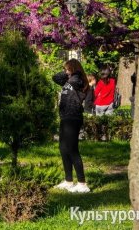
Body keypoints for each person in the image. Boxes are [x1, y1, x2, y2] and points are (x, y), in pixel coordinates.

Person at [52, 59, 90, 193]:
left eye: (67, 69)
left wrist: (73, 72)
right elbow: (55, 78)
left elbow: (71, 79)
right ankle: (69, 181)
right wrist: (65, 72)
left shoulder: (77, 80)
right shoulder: (70, 80)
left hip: (73, 117)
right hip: (65, 117)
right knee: (63, 148)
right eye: (65, 70)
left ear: (73, 69)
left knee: (72, 149)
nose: (65, 72)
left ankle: (82, 183)